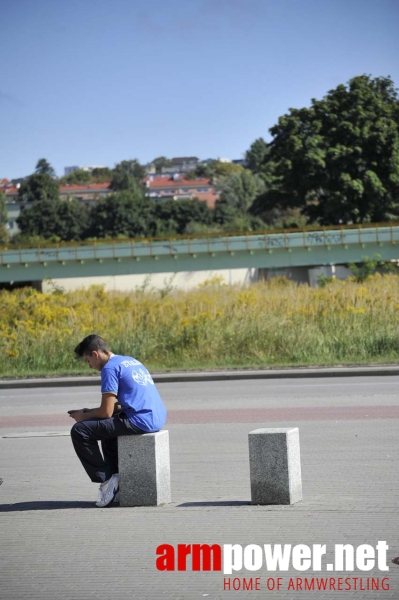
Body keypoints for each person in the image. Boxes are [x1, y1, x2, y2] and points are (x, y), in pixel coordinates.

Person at [68, 334, 167, 508]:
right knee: (108, 428)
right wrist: (90, 412)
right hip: (156, 416)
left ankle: (106, 480)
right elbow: (118, 408)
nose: (89, 365)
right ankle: (116, 481)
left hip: (140, 420)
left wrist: (82, 416)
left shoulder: (109, 369)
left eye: (87, 360)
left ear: (95, 354)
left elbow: (105, 412)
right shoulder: (129, 361)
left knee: (80, 431)